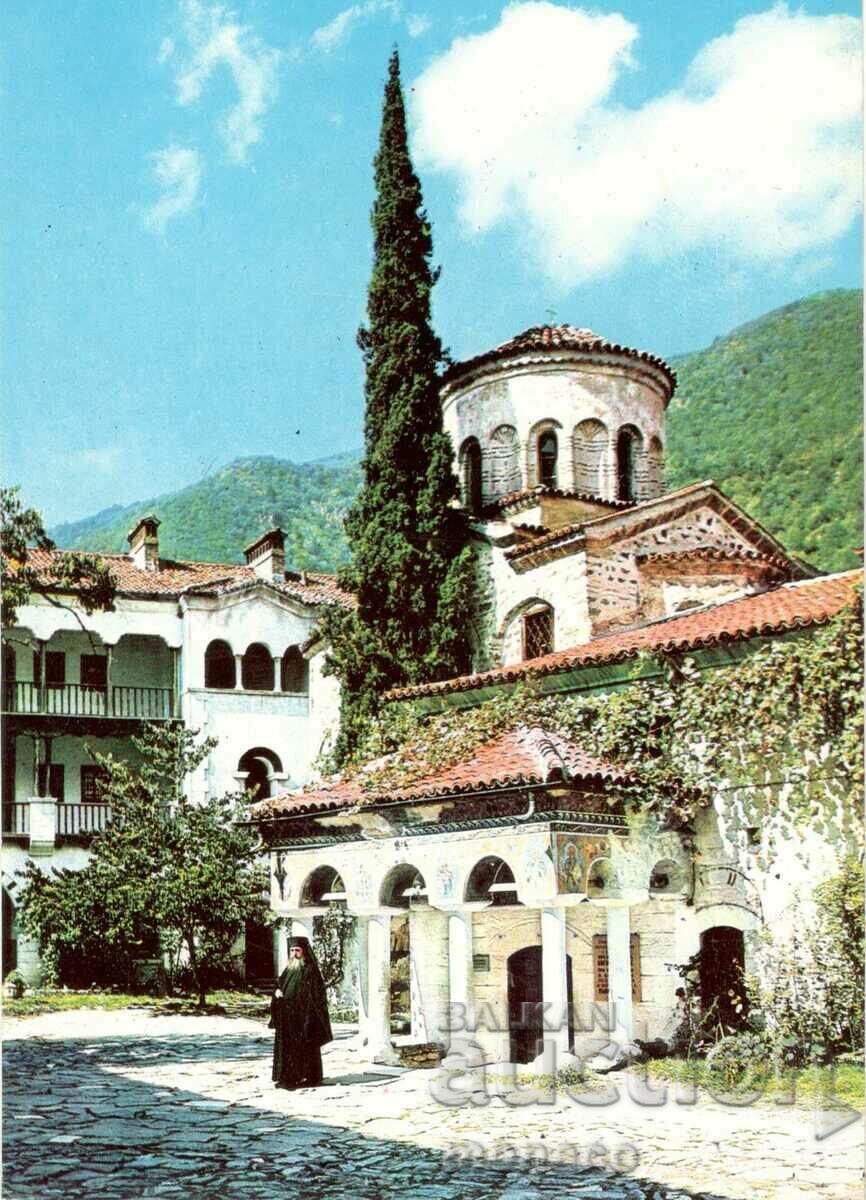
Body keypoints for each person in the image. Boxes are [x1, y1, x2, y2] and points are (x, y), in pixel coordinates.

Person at [269, 936, 333, 1090]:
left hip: (304, 1018)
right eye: (291, 950)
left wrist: (306, 1013)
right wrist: (276, 991)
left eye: (297, 950)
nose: (294, 954)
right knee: (288, 1049)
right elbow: (279, 984)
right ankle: (288, 1078)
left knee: (305, 1048)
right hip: (288, 1017)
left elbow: (316, 996)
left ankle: (309, 1077)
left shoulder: (310, 970)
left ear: (303, 951)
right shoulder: (289, 969)